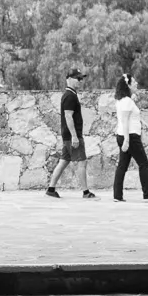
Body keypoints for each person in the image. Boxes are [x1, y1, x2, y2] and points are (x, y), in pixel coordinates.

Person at [44, 68, 94, 199]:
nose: (80, 81)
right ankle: (86, 192)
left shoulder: (70, 94)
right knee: (82, 162)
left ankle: (51, 189)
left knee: (63, 161)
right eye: (78, 78)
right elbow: (68, 116)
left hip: (68, 136)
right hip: (72, 136)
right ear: (69, 79)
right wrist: (75, 136)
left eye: (81, 78)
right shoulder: (70, 96)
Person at [110, 75, 148, 201]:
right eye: (134, 82)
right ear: (128, 85)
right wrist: (126, 140)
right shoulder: (127, 101)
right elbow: (124, 121)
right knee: (143, 163)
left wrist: (143, 122)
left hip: (127, 135)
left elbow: (130, 116)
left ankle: (117, 196)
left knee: (122, 166)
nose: (136, 84)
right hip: (130, 136)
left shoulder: (124, 100)